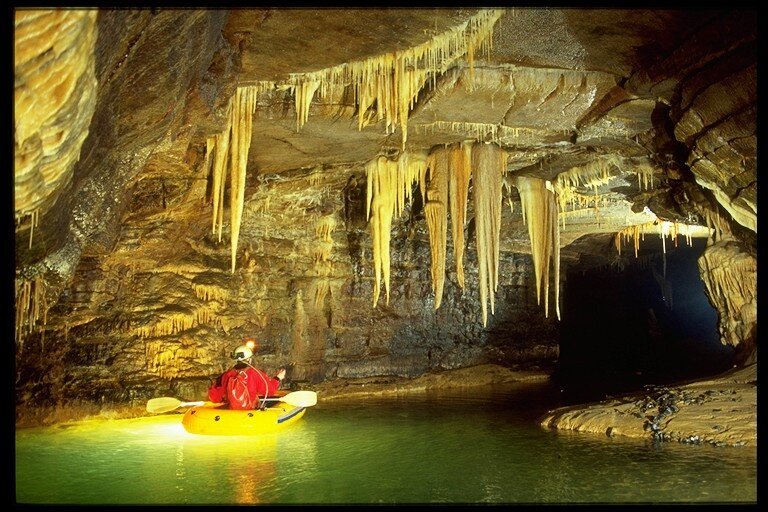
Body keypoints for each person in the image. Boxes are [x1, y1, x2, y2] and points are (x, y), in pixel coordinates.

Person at [208, 337, 286, 410]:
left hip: (232, 414)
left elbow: (215, 397)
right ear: (249, 359)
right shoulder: (255, 373)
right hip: (250, 412)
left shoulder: (227, 375)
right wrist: (277, 378)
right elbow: (269, 391)